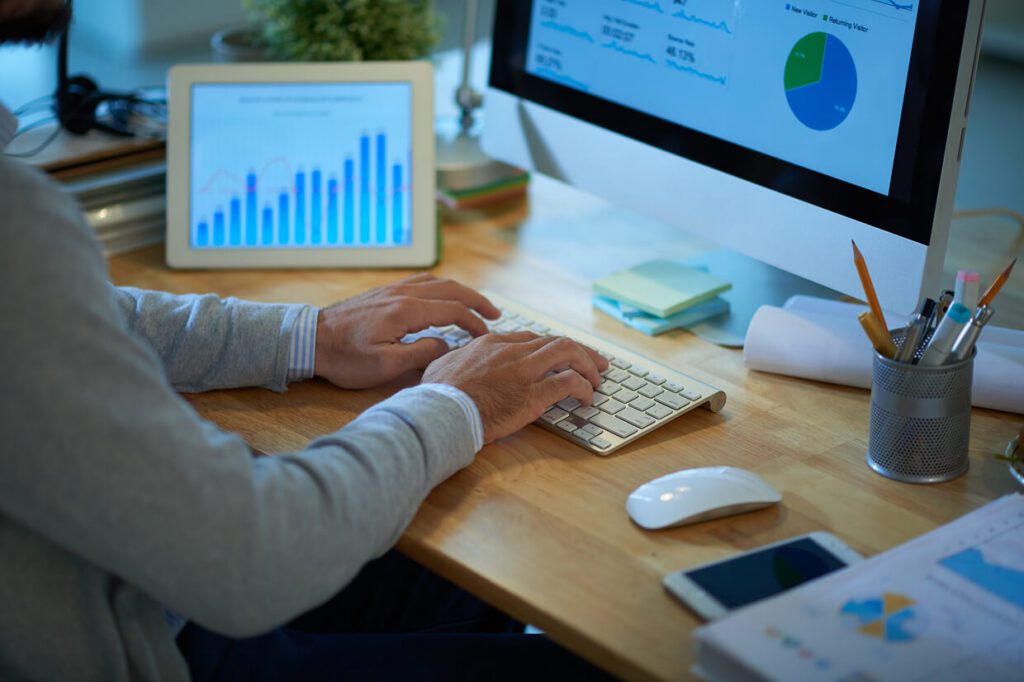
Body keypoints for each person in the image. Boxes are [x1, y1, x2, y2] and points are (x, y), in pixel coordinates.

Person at [0, 2, 615, 680]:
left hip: (133, 599)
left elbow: (96, 313)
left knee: (455, 544)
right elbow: (248, 559)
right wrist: (456, 405)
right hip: (162, 645)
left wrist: (308, 337)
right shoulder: (15, 224)